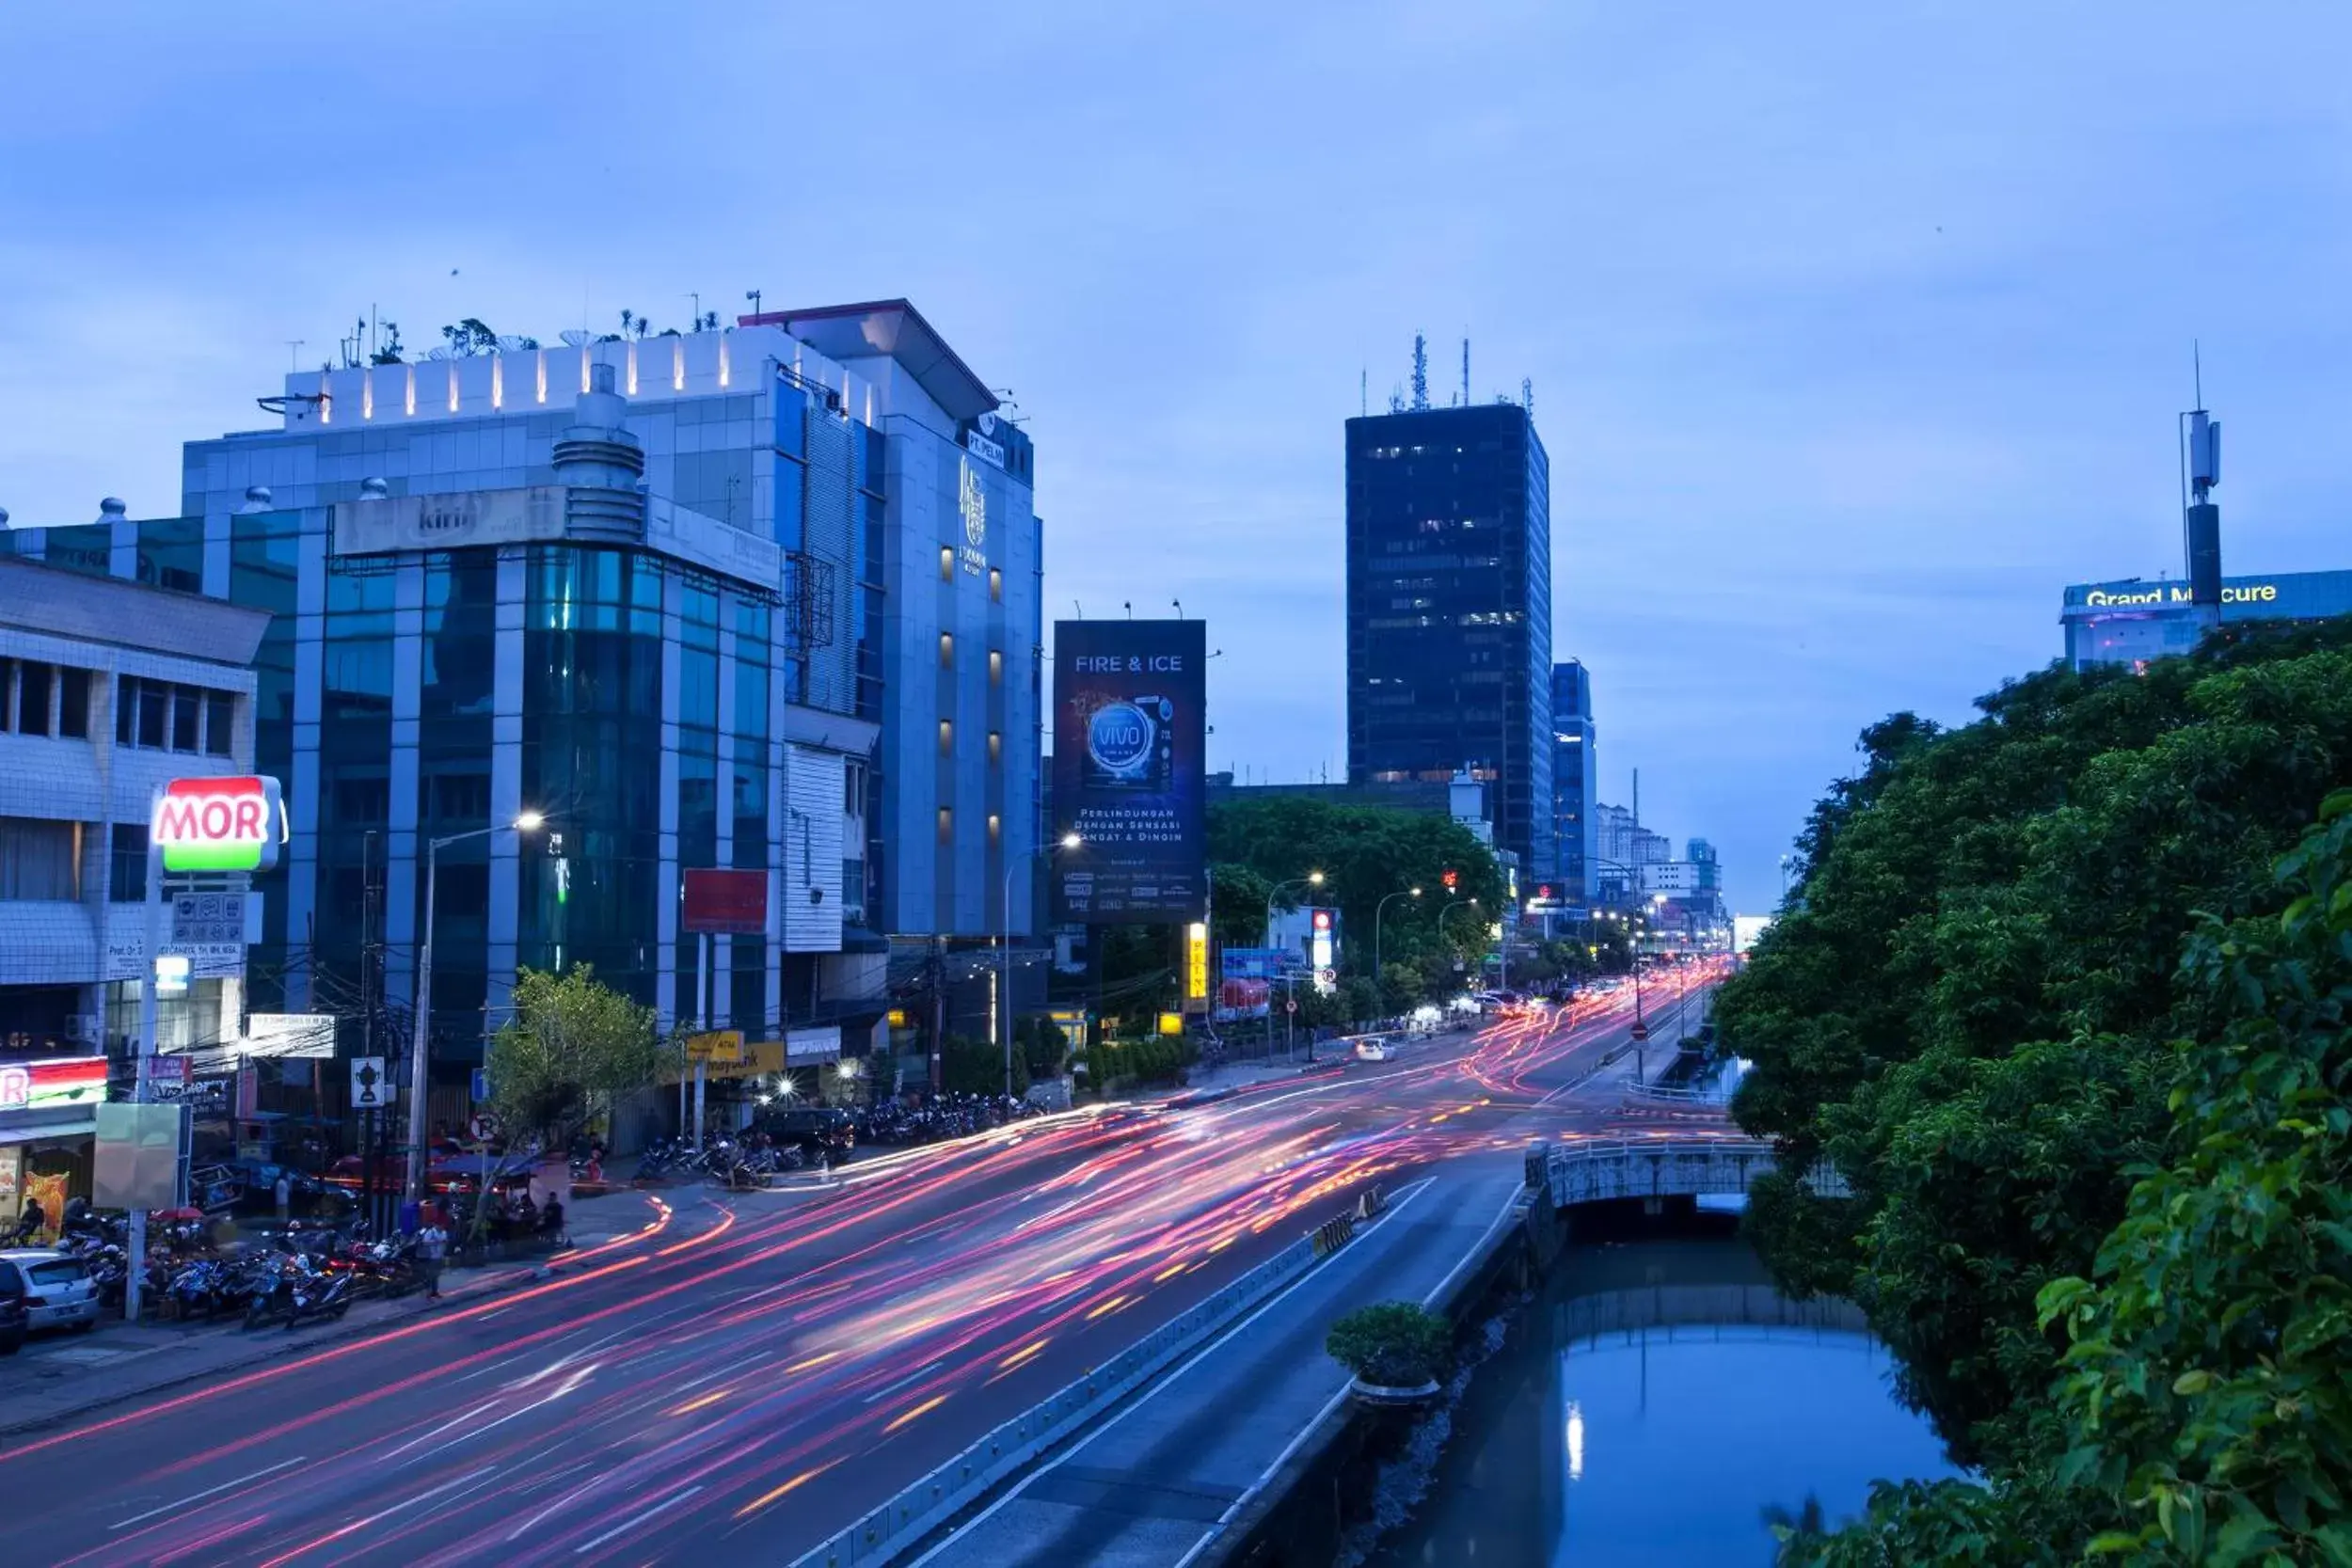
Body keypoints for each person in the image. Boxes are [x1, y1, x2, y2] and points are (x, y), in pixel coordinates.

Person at [417, 1216, 448, 1300]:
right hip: (431, 1256)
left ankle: (435, 1292)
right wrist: (436, 1242)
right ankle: (428, 1293)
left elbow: (445, 1243)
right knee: (430, 1275)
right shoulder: (431, 1232)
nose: (442, 1227)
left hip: (439, 1256)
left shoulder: (444, 1232)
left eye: (443, 1225)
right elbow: (425, 1243)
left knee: (436, 1275)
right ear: (436, 1225)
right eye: (440, 1225)